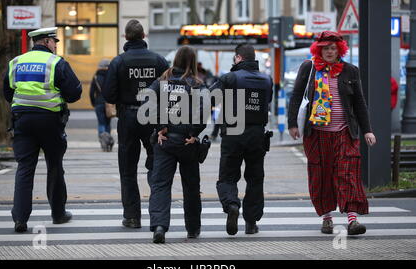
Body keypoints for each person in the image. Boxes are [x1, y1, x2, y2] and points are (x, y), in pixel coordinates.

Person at [287, 30, 377, 236]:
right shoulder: (308, 68)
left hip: (345, 132)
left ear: (340, 50)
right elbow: (296, 96)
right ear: (319, 50)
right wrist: (292, 124)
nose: (329, 52)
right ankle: (327, 218)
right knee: (321, 176)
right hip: (316, 134)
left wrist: (367, 131)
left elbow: (360, 104)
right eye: (325, 48)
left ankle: (352, 220)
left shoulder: (350, 71)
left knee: (348, 174)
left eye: (333, 48)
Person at [3, 27, 82, 233]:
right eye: (54, 42)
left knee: (24, 168)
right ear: (46, 41)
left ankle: (20, 218)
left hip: (22, 121)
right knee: (55, 166)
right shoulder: (56, 63)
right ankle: (58, 214)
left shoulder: (15, 62)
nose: (56, 46)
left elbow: (7, 92)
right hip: (50, 121)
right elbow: (74, 93)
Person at [102, 20, 169, 229]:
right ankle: (157, 214)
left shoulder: (119, 62)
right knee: (156, 166)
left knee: (128, 169)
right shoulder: (159, 61)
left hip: (129, 117)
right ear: (144, 36)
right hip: (153, 117)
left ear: (125, 38)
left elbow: (109, 94)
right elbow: (169, 90)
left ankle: (132, 217)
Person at [210, 43, 273, 236]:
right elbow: (267, 101)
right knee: (255, 178)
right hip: (257, 135)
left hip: (232, 134)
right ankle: (251, 222)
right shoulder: (266, 80)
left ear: (238, 58)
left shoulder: (229, 78)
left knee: (228, 176)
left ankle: (231, 206)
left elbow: (211, 99)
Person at [146, 45, 207, 244]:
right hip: (187, 142)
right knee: (191, 186)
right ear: (192, 62)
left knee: (161, 185)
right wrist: (194, 133)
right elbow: (203, 110)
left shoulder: (161, 81)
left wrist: (160, 127)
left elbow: (149, 104)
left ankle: (160, 226)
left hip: (165, 141)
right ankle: (192, 228)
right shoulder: (196, 84)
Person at [90, 59, 114, 151]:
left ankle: (103, 141)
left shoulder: (96, 77)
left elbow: (91, 92)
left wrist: (93, 102)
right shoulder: (111, 76)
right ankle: (108, 140)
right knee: (108, 123)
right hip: (109, 103)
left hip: (99, 103)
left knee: (101, 123)